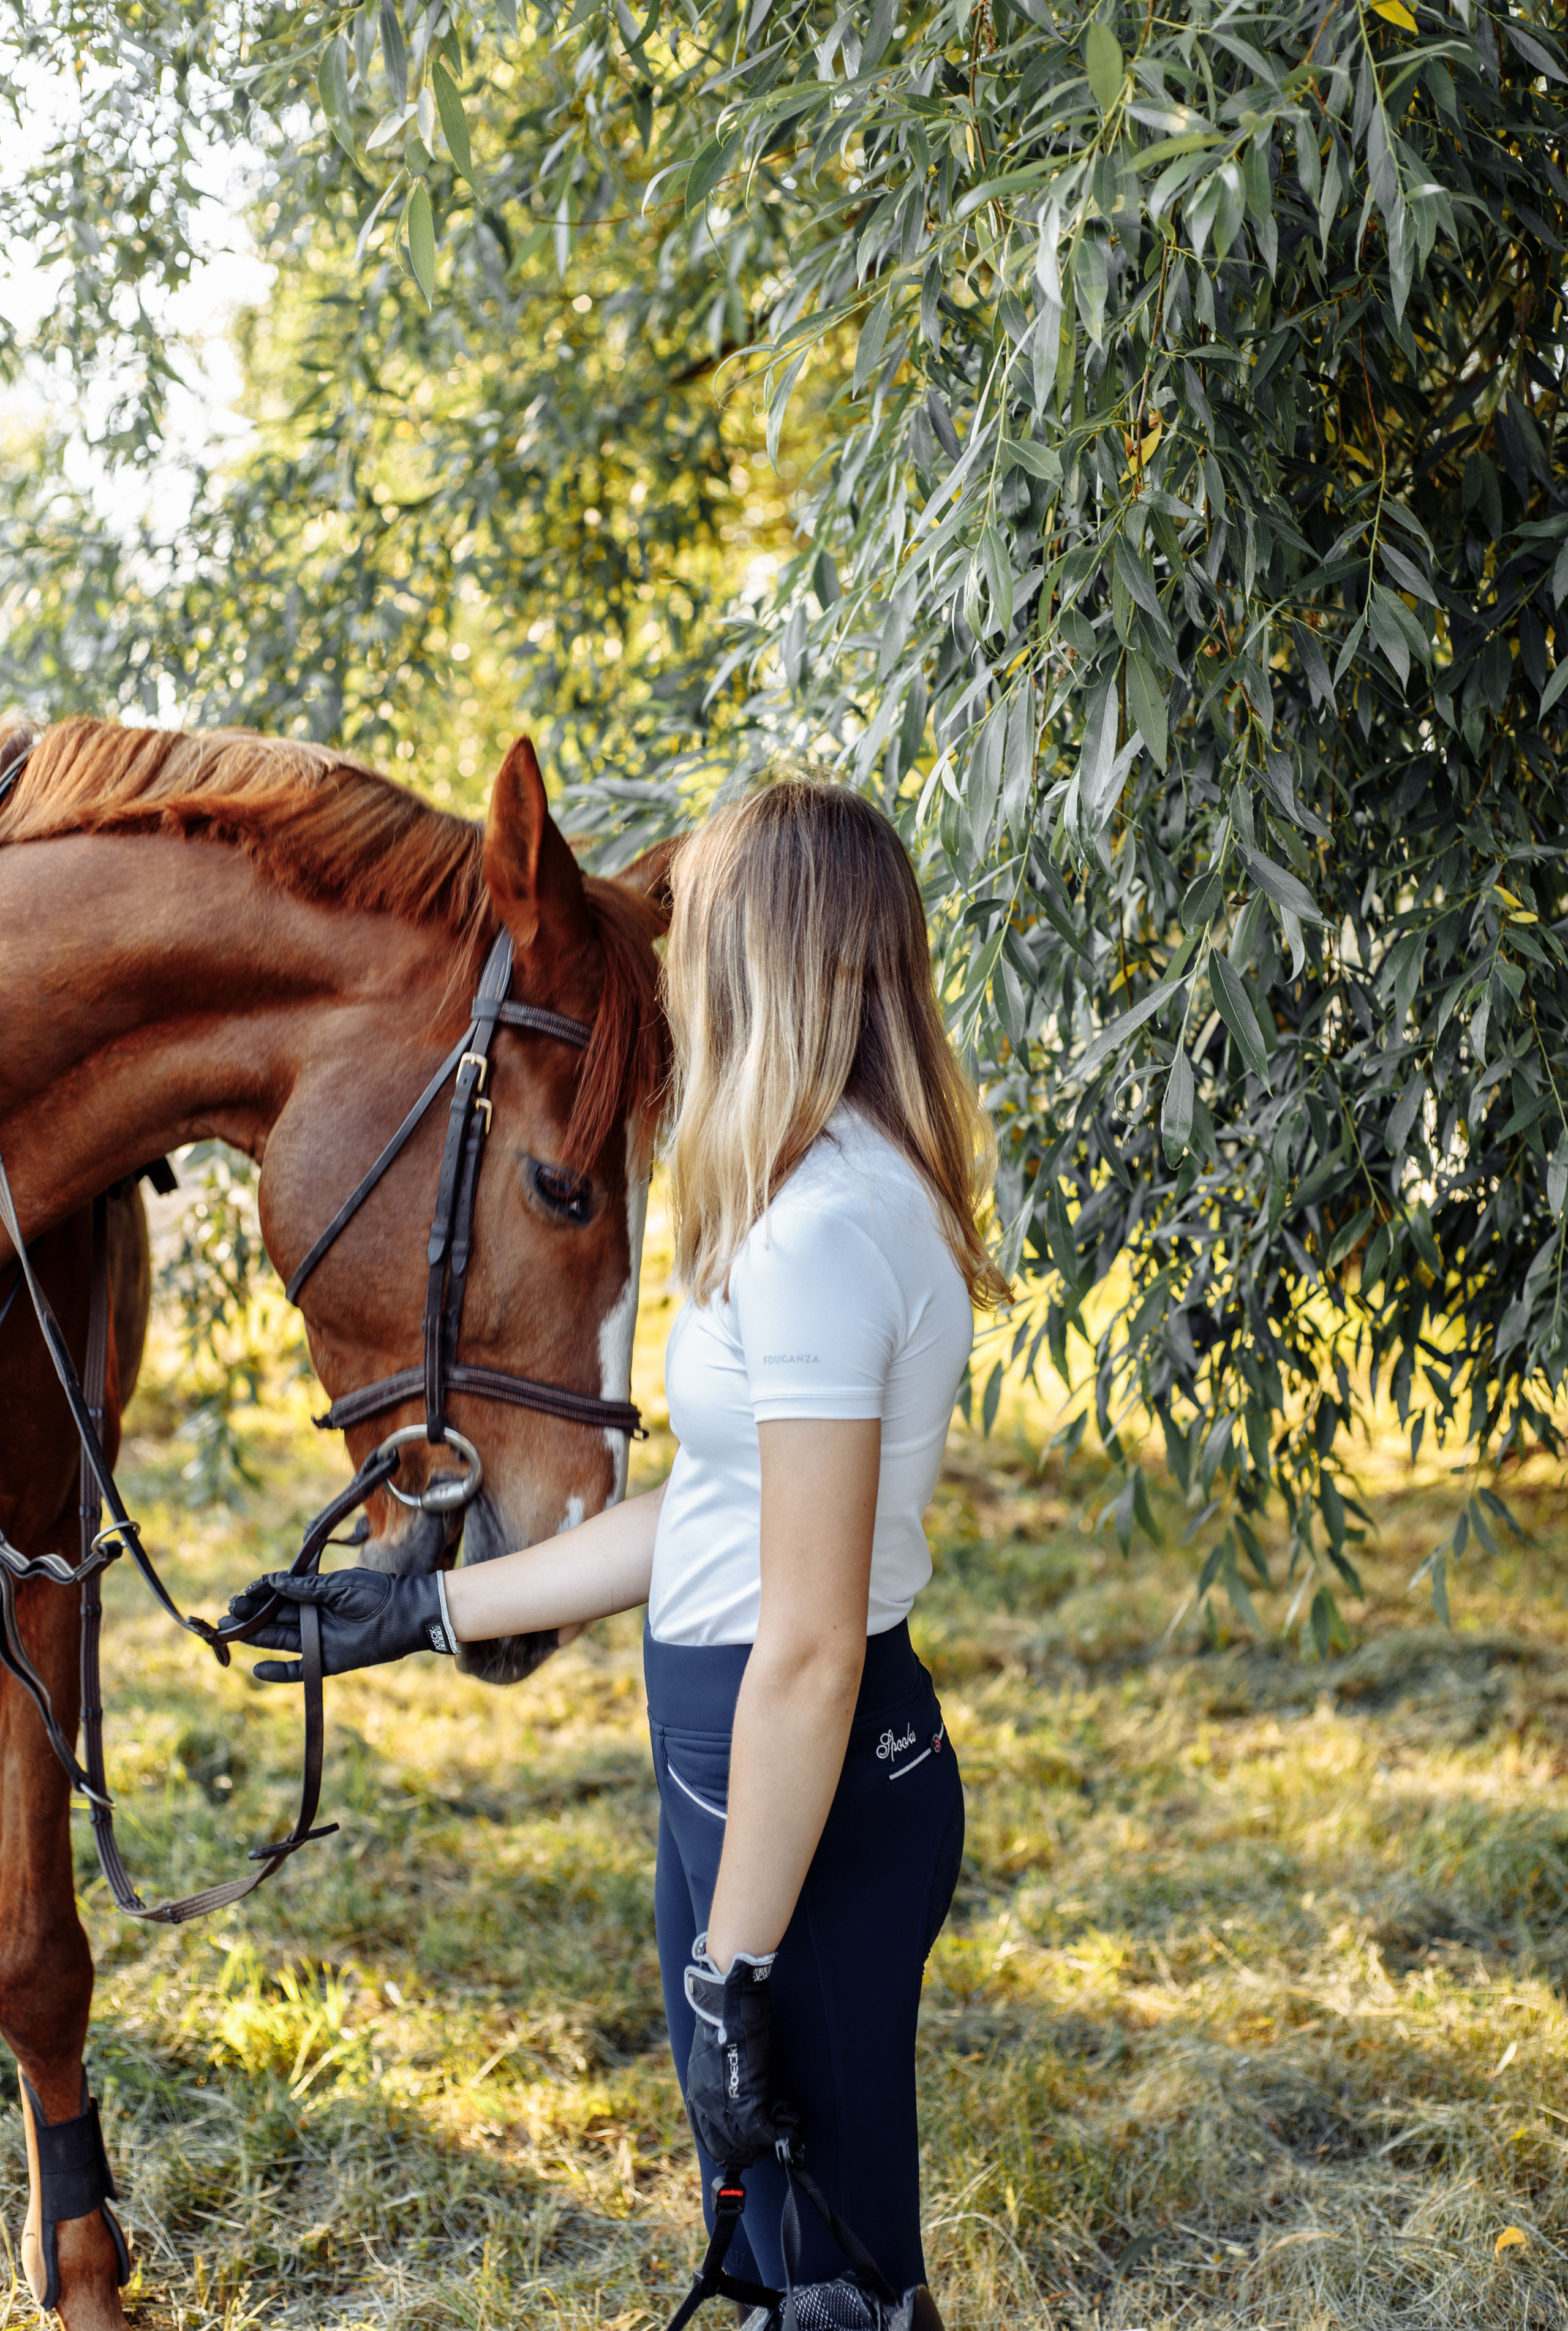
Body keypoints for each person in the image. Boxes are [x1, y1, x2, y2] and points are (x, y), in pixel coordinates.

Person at [231, 781, 1010, 2329]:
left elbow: (807, 1644)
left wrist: (738, 1964)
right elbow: (715, 1516)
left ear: (762, 957)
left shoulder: (820, 1232)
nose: (665, 978)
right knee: (783, 2250)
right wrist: (423, 1608)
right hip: (750, 1774)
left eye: (689, 936)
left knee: (839, 2277)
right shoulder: (817, 1192)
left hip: (797, 1782)